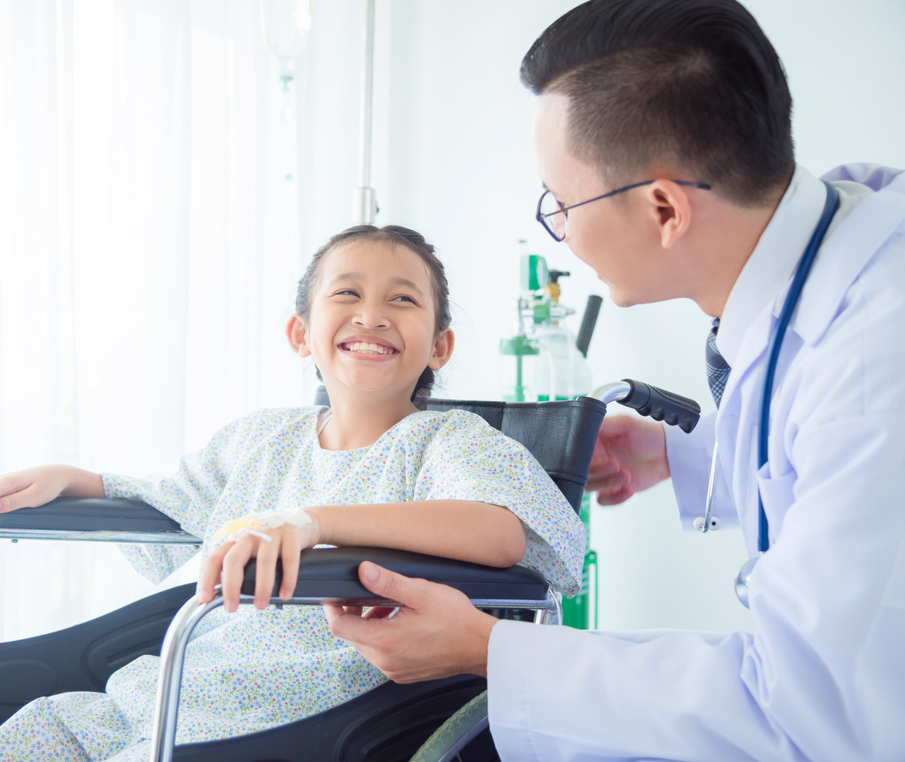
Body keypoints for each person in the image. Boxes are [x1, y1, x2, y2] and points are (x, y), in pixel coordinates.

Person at [324, 1, 905, 760]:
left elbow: (798, 711)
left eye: (562, 204)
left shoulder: (872, 360)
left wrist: (489, 652)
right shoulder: (829, 254)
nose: (559, 230)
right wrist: (685, 455)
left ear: (664, 207)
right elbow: (822, 457)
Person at [0, 224, 586, 759]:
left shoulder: (451, 441)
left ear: (439, 346)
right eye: (348, 293)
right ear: (300, 333)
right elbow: (176, 502)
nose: (371, 315)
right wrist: (80, 480)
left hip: (293, 711)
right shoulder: (263, 438)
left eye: (403, 300)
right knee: (39, 731)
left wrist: (314, 521)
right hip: (168, 688)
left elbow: (502, 530)